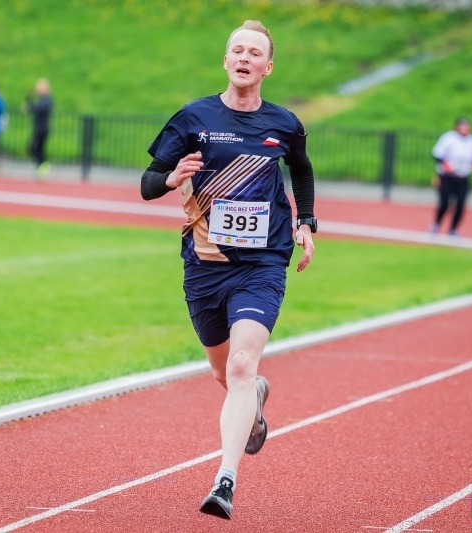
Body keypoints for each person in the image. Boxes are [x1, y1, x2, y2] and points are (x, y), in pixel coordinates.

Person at [140, 20, 316, 520]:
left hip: (262, 263)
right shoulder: (193, 118)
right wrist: (170, 177)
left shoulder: (284, 125)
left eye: (253, 52)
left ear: (267, 67)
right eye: (236, 50)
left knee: (241, 364)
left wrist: (305, 221)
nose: (244, 57)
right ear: (225, 61)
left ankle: (225, 480)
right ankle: (255, 397)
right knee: (224, 371)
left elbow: (300, 169)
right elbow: (149, 183)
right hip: (205, 265)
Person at [429, 117, 472, 236]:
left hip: (463, 178)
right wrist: (445, 165)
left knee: (460, 205)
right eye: (462, 126)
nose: (464, 129)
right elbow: (437, 155)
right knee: (444, 203)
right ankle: (436, 224)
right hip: (447, 177)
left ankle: (453, 229)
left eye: (466, 127)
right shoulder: (448, 138)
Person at [23, 78, 53, 177]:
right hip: (39, 128)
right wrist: (29, 100)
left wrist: (30, 107)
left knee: (34, 147)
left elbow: (39, 108)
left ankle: (43, 165)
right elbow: (36, 107)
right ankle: (41, 166)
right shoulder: (42, 99)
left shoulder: (47, 99)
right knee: (37, 148)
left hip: (42, 129)